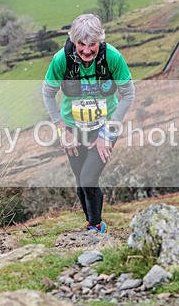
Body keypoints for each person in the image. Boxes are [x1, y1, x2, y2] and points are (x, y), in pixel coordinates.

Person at [42, 14, 135, 233]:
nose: (86, 50)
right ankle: (91, 225)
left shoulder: (112, 57)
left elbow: (128, 94)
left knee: (88, 178)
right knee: (81, 182)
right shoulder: (61, 60)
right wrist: (62, 129)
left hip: (104, 127)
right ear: (74, 41)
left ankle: (96, 227)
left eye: (92, 45)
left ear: (100, 41)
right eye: (81, 44)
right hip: (73, 129)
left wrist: (107, 132)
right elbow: (48, 94)